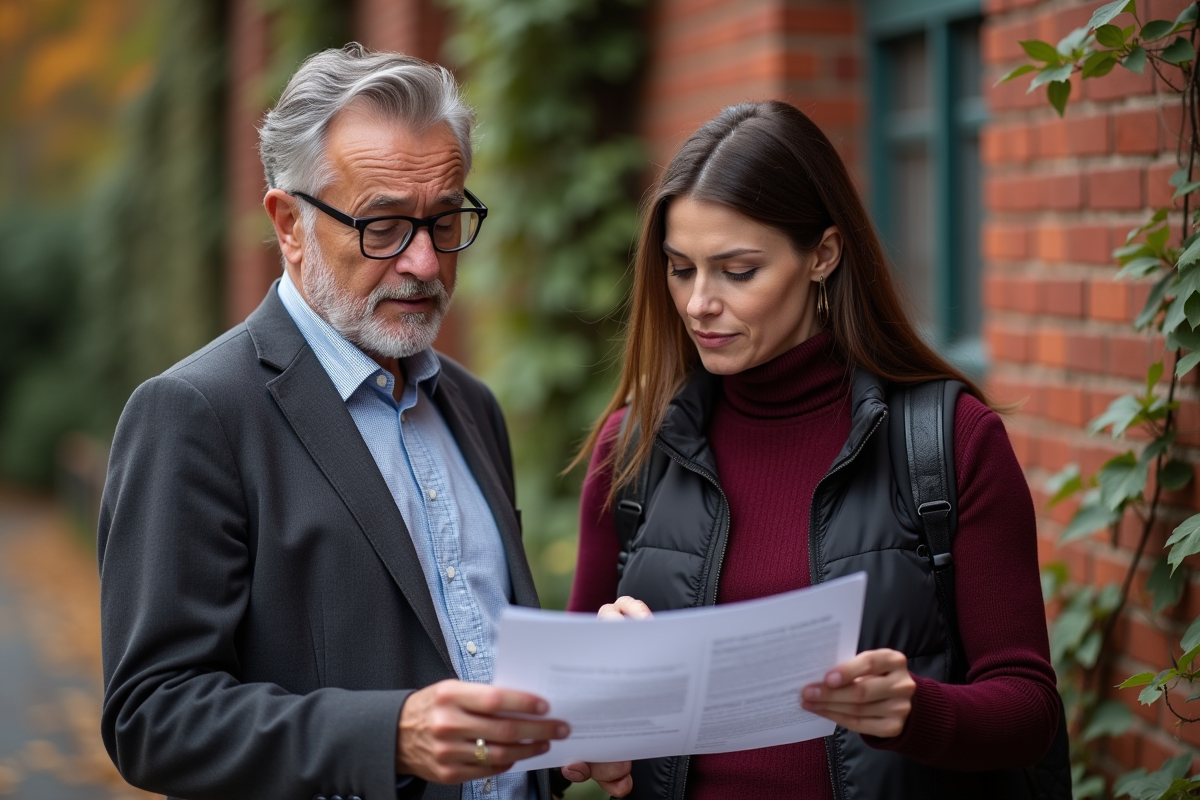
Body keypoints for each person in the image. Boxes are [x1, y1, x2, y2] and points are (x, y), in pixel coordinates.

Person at [97, 44, 627, 800]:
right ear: (288, 225)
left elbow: (484, 664)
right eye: (383, 227)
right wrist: (389, 738)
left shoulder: (472, 407)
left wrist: (584, 702)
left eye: (445, 222)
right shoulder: (196, 414)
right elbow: (153, 717)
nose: (424, 263)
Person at [564, 100, 1060, 799]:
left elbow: (1029, 709)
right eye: (680, 269)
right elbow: (569, 728)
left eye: (737, 271)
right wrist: (598, 710)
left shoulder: (948, 441)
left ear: (822, 255)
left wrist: (912, 709)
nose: (699, 302)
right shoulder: (634, 449)